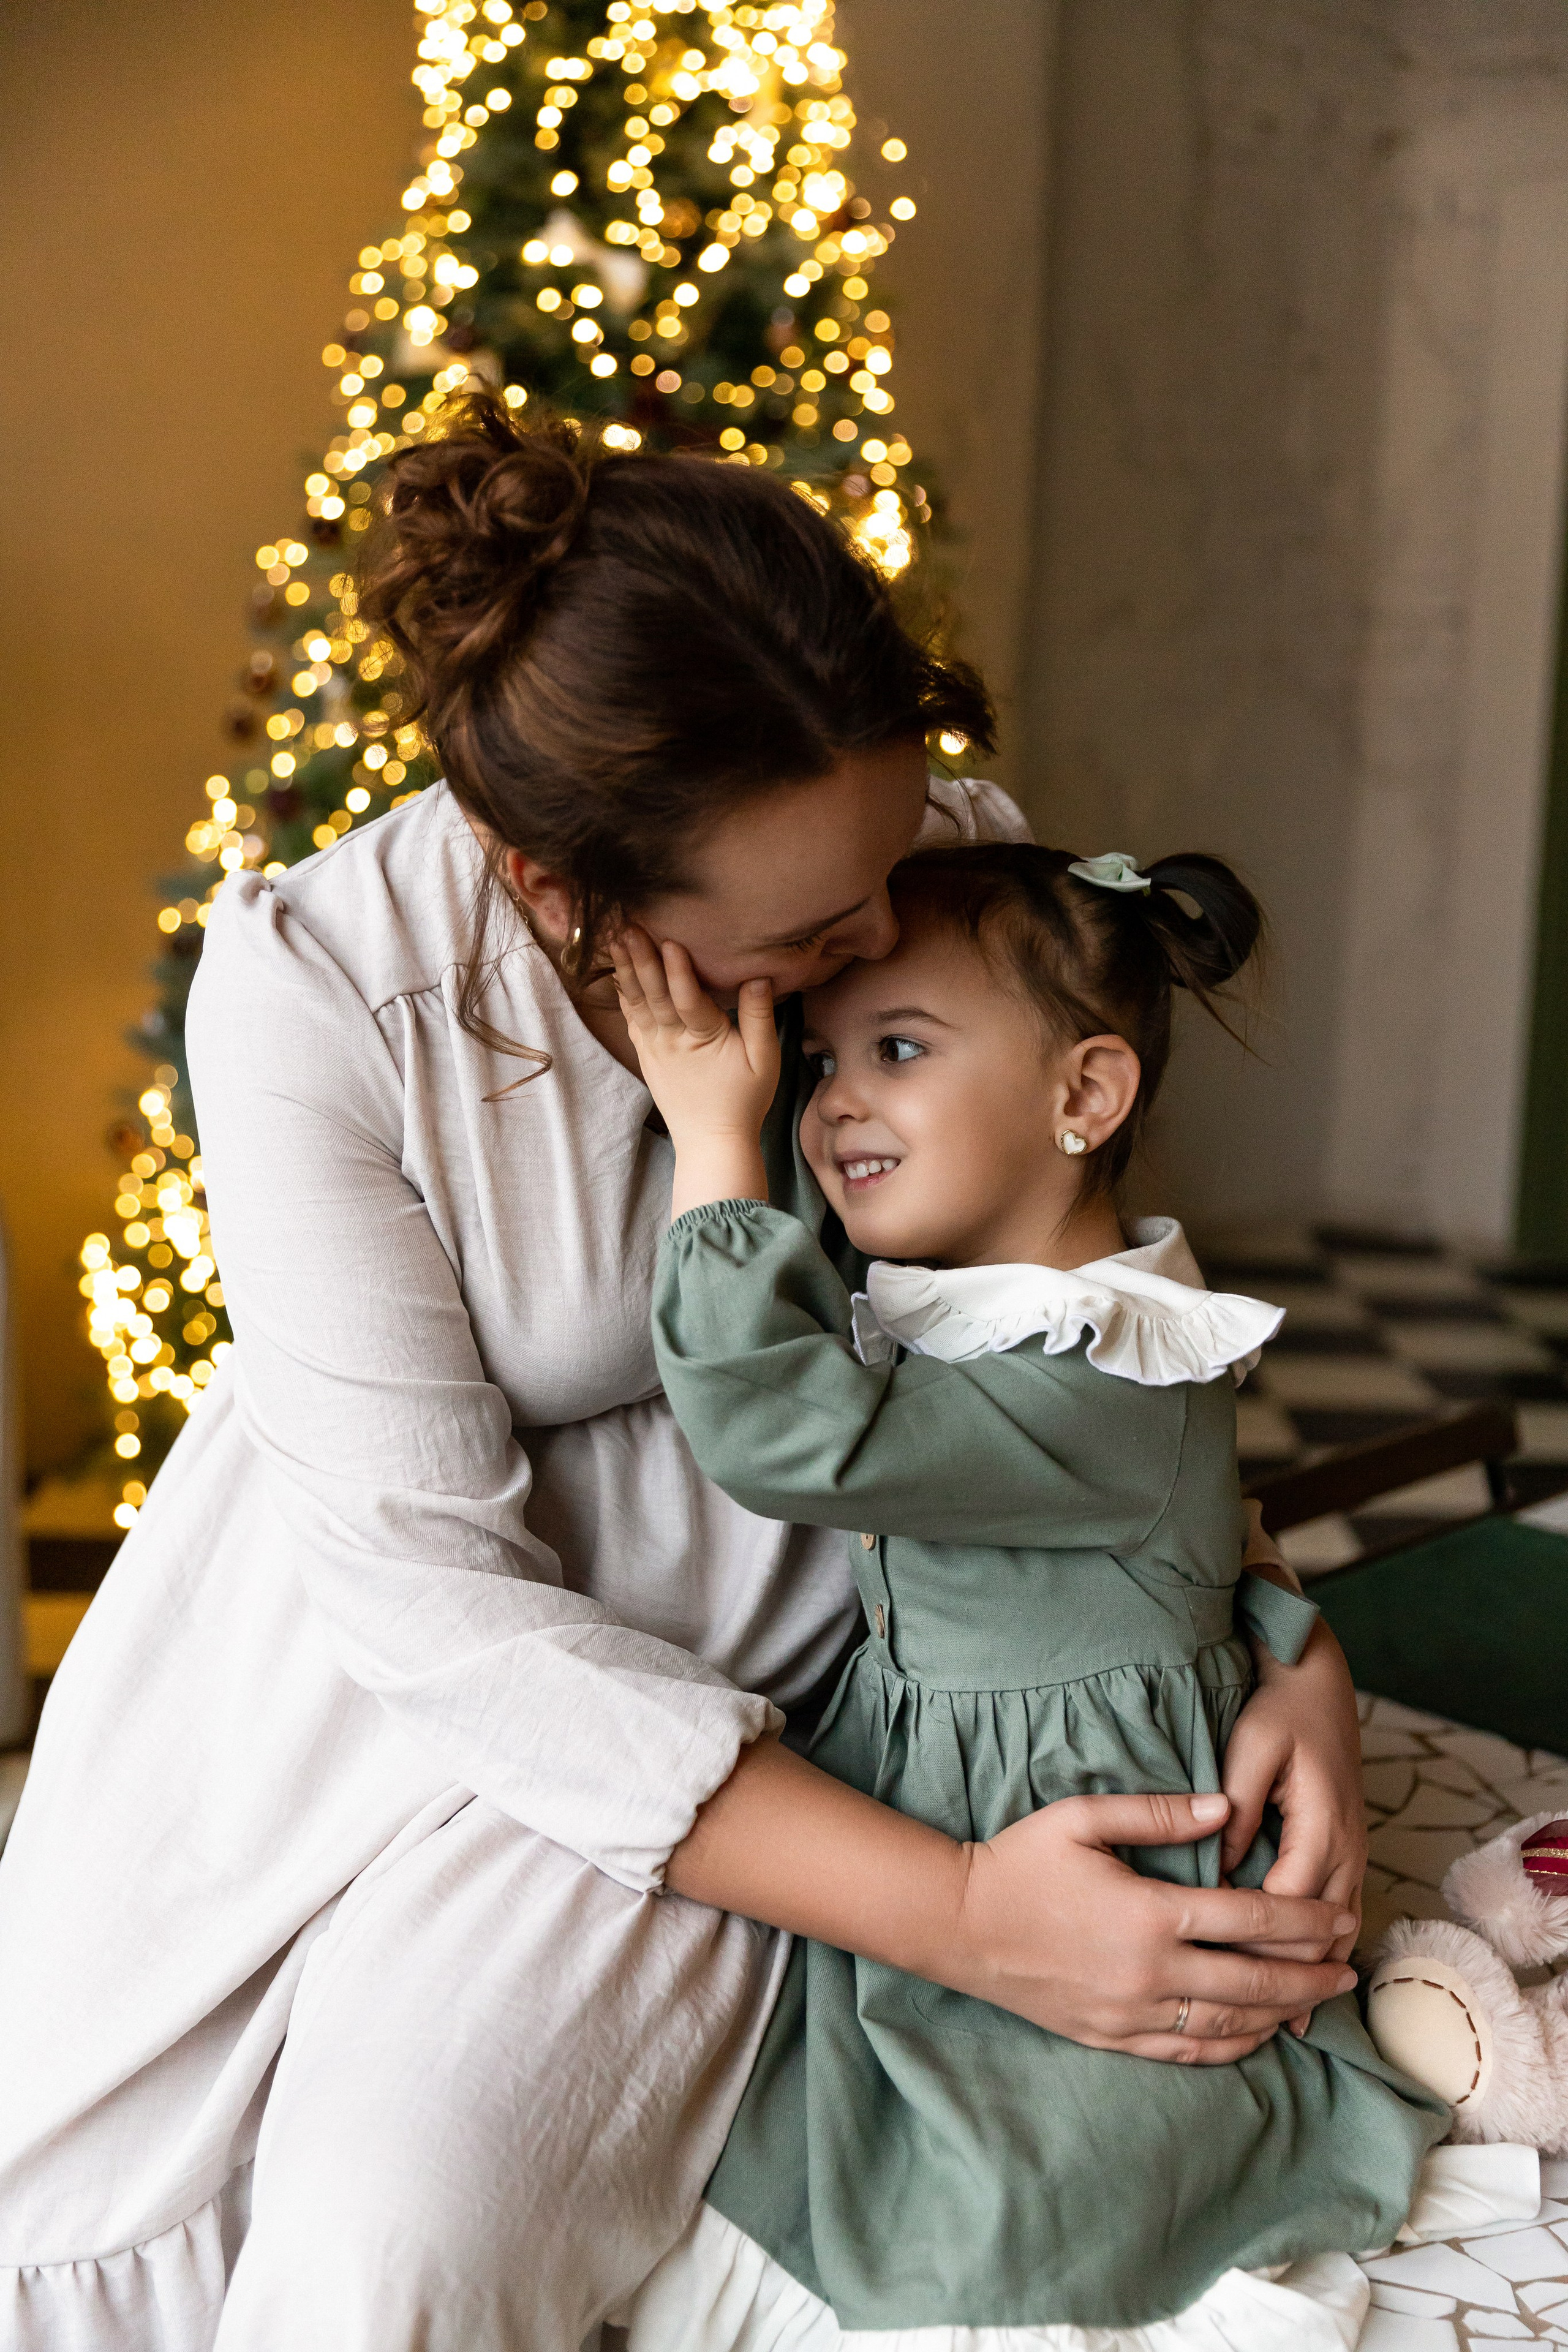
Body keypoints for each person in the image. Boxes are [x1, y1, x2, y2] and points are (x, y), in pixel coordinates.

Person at [0, 401, 1376, 2352]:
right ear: (568, 891)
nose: (888, 929)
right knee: (216, 2221)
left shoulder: (936, 868)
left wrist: (1279, 1640)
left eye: (896, 859)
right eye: (821, 933)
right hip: (444, 1680)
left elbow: (1064, 1298)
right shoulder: (325, 991)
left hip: (808, 1690)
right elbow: (437, 1613)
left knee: (405, 2228)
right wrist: (971, 1915)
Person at [607, 843, 1520, 2350]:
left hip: (1083, 1815)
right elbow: (1201, 1563)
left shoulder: (1100, 1364)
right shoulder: (999, 1285)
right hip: (940, 1790)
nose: (831, 1104)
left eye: (896, 1051)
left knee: (1009, 2210)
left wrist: (709, 1136)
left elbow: (776, 1433)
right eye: (819, 1062)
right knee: (790, 2131)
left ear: (1083, 1100)